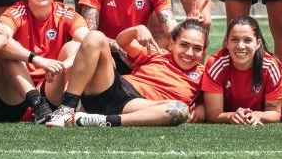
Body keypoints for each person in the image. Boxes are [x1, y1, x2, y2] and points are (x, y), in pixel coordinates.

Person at [43, 20, 208, 128]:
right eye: (184, 45)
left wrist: (201, 106)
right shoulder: (157, 54)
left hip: (138, 106)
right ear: (172, 44)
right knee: (95, 37)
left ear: (203, 52)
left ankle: (99, 121)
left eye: (197, 48)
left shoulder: (204, 74)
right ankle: (67, 108)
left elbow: (217, 97)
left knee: (179, 110)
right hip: (115, 88)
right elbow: (123, 42)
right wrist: (137, 29)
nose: (189, 53)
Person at [0, 0, 90, 123]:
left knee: (74, 46)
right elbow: (0, 39)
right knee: (8, 49)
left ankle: (65, 108)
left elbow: (89, 41)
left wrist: (64, 65)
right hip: (13, 96)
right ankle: (36, 102)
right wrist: (39, 61)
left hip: (49, 89)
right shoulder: (14, 12)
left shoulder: (66, 14)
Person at [202, 16, 282, 125]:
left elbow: (275, 112)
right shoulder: (216, 64)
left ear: (258, 44)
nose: (240, 46)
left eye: (247, 40)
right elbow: (213, 113)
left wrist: (257, 115)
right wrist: (231, 116)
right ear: (227, 43)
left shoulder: (270, 66)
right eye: (234, 39)